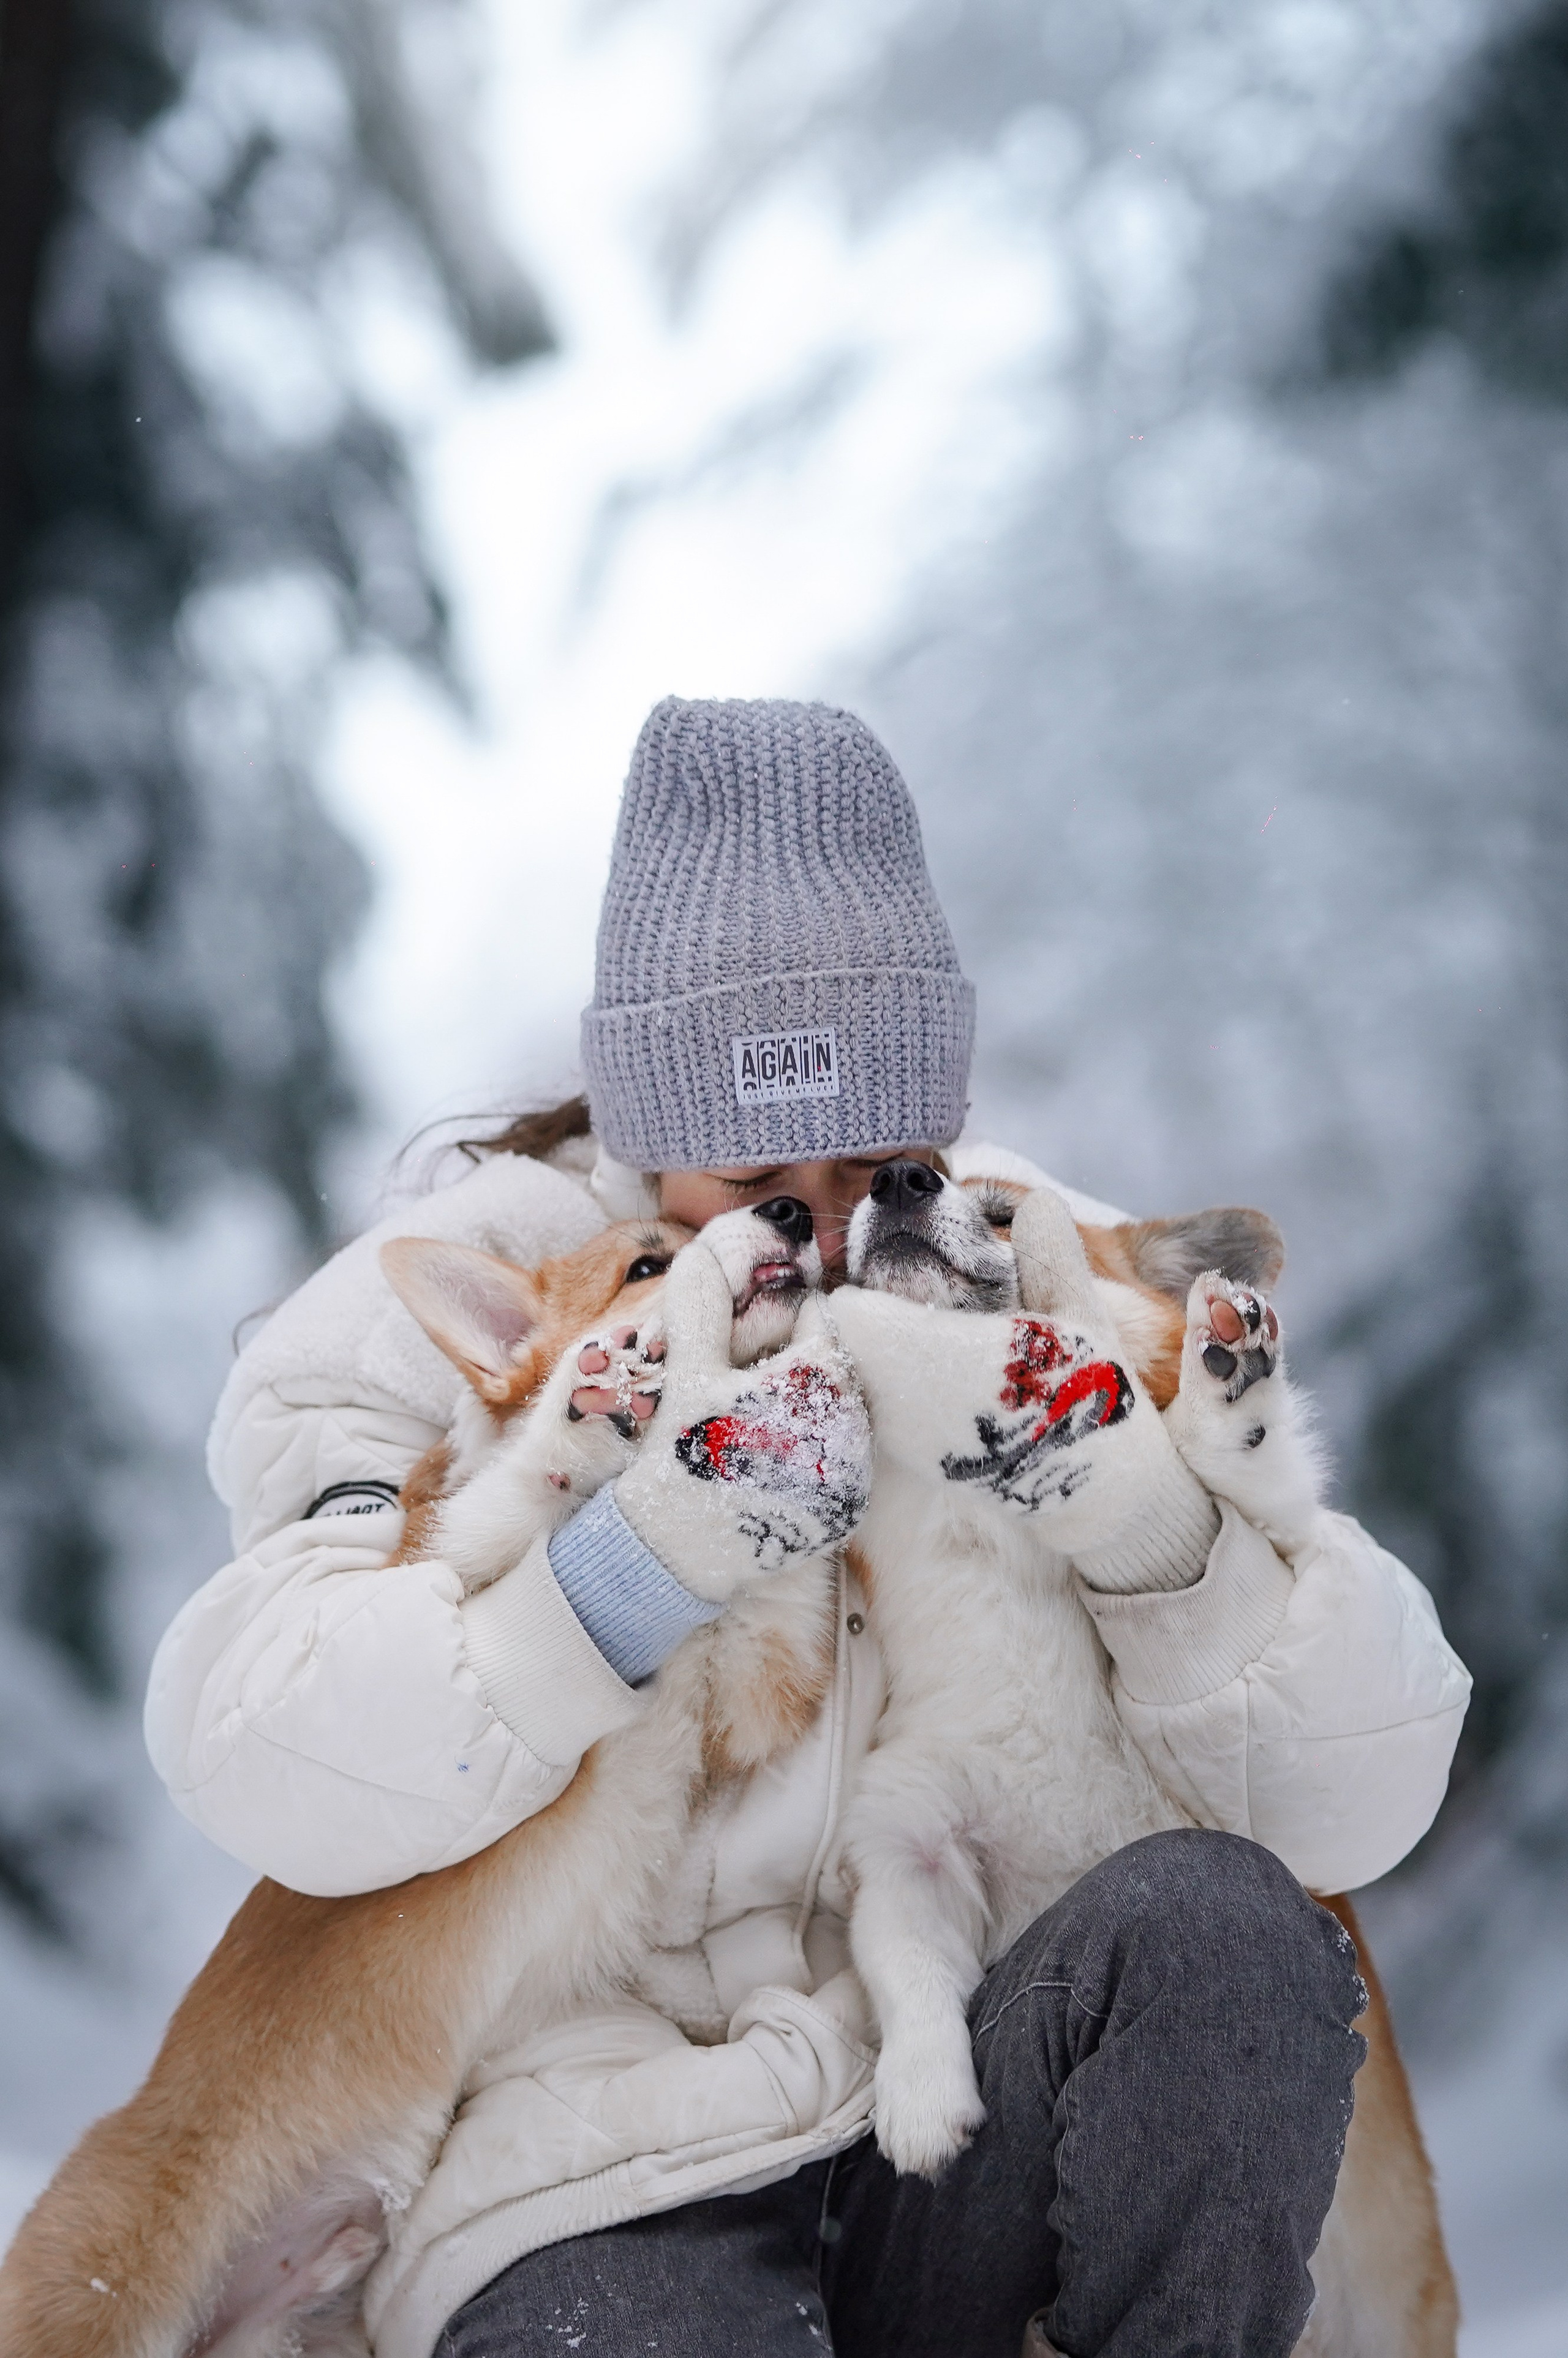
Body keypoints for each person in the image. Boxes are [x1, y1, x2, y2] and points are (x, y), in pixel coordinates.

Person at [146, 698, 1470, 2358]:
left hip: (958, 2093)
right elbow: (270, 1747)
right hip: (596, 2168)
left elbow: (1354, 1798)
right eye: (760, 1181)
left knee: (1229, 1931)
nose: (831, 1237)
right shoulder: (499, 1313)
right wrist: (617, 1578)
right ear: (652, 1140)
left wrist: (1153, 1531)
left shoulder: (1020, 1259)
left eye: (875, 1163)